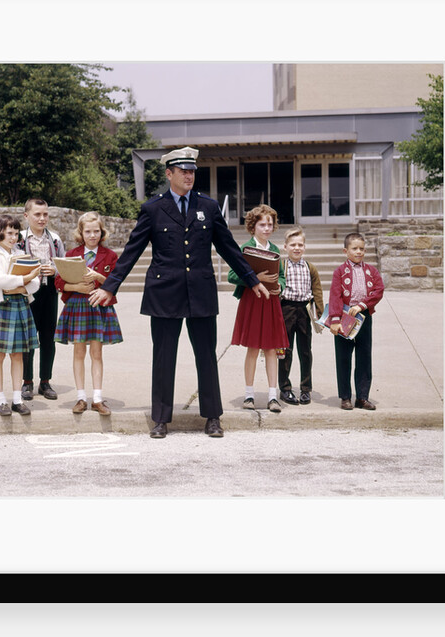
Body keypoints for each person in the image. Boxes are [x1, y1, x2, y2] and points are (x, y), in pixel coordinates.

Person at [89, 146, 271, 439]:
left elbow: (227, 247)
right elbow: (132, 251)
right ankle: (161, 419)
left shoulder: (208, 207)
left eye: (192, 171)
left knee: (206, 356)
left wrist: (251, 279)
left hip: (200, 292)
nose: (189, 176)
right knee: (163, 358)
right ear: (169, 174)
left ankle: (212, 417)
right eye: (183, 171)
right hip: (164, 293)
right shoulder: (153, 208)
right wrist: (110, 286)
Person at [54, 211, 123, 416]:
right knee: (78, 352)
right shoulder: (71, 255)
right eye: (88, 231)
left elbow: (115, 282)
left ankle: (98, 398)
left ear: (102, 232)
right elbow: (59, 282)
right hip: (77, 306)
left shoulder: (110, 255)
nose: (92, 235)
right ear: (81, 233)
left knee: (97, 353)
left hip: (99, 307)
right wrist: (76, 286)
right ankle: (81, 397)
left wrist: (99, 277)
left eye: (96, 231)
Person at [0, 214, 42, 416]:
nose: (13, 237)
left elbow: (36, 283)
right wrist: (25, 279)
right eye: (9, 233)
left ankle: (17, 399)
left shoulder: (20, 253)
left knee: (18, 355)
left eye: (15, 233)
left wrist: (24, 285)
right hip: (0, 306)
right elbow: (2, 281)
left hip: (20, 305)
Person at [227, 204, 290, 413]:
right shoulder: (245, 248)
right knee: (253, 348)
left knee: (271, 349)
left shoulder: (274, 249)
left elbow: (280, 274)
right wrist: (255, 278)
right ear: (253, 226)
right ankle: (249, 395)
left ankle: (273, 396)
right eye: (262, 224)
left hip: (270, 301)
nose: (267, 228)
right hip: (253, 301)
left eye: (270, 224)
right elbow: (232, 276)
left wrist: (279, 284)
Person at [328, 232, 384, 411]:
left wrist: (363, 305)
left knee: (364, 357)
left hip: (364, 318)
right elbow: (335, 295)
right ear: (346, 251)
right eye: (354, 249)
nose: (359, 252)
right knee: (343, 357)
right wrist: (335, 320)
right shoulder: (339, 272)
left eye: (361, 249)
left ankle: (362, 397)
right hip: (344, 318)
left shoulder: (371, 271)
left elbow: (379, 289)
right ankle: (345, 397)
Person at [18, 198, 65, 402]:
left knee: (48, 337)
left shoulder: (54, 239)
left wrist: (55, 270)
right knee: (28, 338)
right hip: (27, 293)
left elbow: (64, 266)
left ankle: (45, 381)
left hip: (49, 291)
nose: (42, 218)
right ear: (26, 216)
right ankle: (27, 381)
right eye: (37, 214)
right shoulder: (19, 239)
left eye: (45, 214)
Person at [279, 226, 324, 406]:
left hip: (304, 311)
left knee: (305, 351)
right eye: (292, 245)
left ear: (304, 247)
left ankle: (306, 389)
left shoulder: (310, 268)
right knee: (285, 351)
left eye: (300, 245)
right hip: (286, 310)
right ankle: (285, 387)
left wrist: (320, 312)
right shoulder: (281, 266)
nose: (296, 248)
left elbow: (317, 291)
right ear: (285, 247)